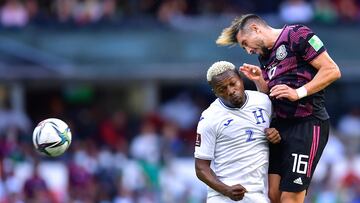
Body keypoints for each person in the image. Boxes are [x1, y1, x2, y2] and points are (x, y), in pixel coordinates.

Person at [216, 14, 341, 203]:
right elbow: (272, 97)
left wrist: (298, 93)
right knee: (271, 195)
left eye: (245, 43)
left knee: (290, 198)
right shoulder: (264, 57)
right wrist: (260, 81)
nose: (248, 50)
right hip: (279, 128)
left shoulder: (298, 35)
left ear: (256, 28)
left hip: (307, 124)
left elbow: (332, 70)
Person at [194, 61, 281, 203]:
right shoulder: (210, 118)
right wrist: (226, 190)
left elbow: (278, 130)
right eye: (222, 89)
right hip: (223, 197)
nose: (230, 91)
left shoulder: (263, 101)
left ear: (241, 79)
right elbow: (201, 168)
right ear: (215, 92)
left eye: (233, 83)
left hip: (258, 195)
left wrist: (276, 135)